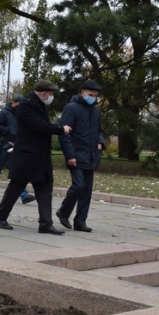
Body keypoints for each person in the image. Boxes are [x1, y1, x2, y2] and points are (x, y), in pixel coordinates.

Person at [0, 79, 71, 235]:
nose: (51, 97)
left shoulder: (38, 105)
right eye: (50, 94)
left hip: (39, 157)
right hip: (26, 156)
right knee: (16, 188)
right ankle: (0, 216)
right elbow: (38, 125)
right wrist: (61, 129)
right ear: (43, 93)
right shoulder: (26, 106)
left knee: (45, 189)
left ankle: (46, 224)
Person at [56, 80, 105, 233]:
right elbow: (64, 134)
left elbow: (99, 130)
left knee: (87, 191)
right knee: (79, 185)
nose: (93, 98)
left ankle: (80, 221)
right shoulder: (71, 108)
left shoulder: (95, 110)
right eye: (91, 95)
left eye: (96, 96)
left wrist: (100, 142)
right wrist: (70, 155)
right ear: (82, 92)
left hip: (91, 155)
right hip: (76, 154)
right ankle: (63, 212)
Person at [0, 94, 34, 204]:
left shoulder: (19, 115)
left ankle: (24, 195)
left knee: (17, 171)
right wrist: (8, 130)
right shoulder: (4, 113)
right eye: (19, 104)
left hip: (14, 146)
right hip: (3, 146)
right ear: (13, 102)